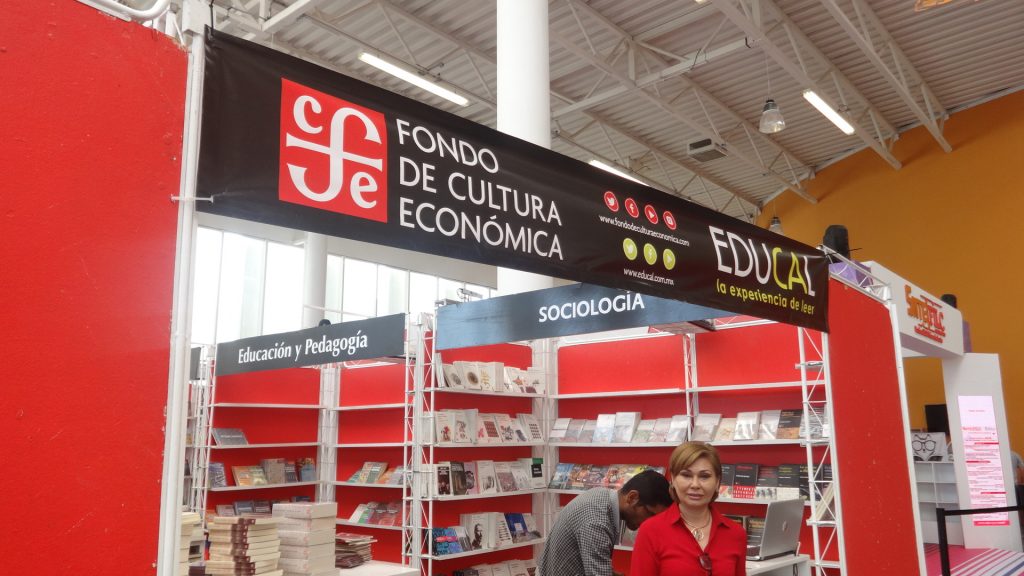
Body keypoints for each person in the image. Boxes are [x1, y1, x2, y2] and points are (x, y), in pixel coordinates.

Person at [630, 442, 747, 575]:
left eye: (704, 476)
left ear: (717, 482)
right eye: (686, 475)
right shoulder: (650, 531)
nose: (695, 485)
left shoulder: (736, 534)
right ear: (673, 479)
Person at [539, 469, 672, 576]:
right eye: (651, 514)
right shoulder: (597, 520)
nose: (652, 523)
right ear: (632, 498)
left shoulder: (602, 497)